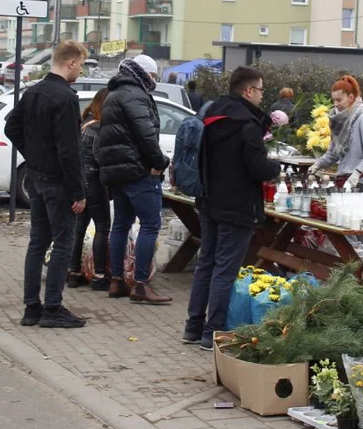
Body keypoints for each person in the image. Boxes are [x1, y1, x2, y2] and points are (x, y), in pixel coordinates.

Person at [183, 66, 280, 350]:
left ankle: (193, 326)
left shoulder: (211, 117)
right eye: (261, 90)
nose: (262, 97)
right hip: (236, 204)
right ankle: (212, 332)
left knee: (207, 264)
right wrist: (274, 166)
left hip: (209, 200)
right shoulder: (247, 124)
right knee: (225, 268)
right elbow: (258, 167)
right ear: (248, 91)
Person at [5, 40, 90, 329]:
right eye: (80, 64)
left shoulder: (33, 92)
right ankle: (53, 307)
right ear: (70, 62)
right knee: (63, 242)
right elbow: (69, 149)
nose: (80, 70)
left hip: (36, 179)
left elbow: (11, 126)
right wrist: (78, 191)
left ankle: (32, 309)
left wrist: (33, 155)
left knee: (37, 242)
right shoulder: (65, 97)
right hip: (59, 184)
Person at [94, 54, 171, 304]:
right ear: (144, 74)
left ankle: (116, 281)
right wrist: (161, 162)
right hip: (138, 172)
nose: (154, 81)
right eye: (153, 76)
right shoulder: (136, 94)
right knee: (150, 224)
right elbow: (146, 134)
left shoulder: (113, 94)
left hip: (118, 173)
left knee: (121, 225)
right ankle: (140, 284)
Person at [67, 88, 112, 293]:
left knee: (79, 227)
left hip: (79, 180)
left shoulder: (83, 123)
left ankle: (73, 271)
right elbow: (100, 158)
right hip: (95, 181)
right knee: (102, 227)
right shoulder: (101, 128)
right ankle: (100, 275)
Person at [310, 75, 363, 191]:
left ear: (351, 97)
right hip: (343, 181)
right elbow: (333, 153)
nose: (336, 104)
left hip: (362, 183)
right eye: (334, 100)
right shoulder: (338, 122)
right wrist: (318, 164)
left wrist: (357, 172)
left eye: (339, 100)